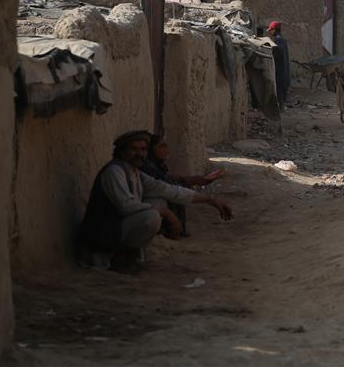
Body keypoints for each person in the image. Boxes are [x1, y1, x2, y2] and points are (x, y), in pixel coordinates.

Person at [77, 130, 233, 271]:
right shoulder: (114, 171)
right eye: (134, 149)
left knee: (159, 200)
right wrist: (166, 213)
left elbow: (169, 190)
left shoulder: (135, 172)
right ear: (122, 151)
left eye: (143, 150)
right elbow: (126, 206)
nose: (139, 154)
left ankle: (130, 255)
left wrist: (209, 200)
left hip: (116, 229)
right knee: (151, 216)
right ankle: (119, 256)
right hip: (101, 236)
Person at [140, 134, 224, 237]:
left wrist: (198, 180)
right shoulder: (147, 169)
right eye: (161, 146)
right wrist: (209, 199)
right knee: (171, 195)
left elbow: (170, 179)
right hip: (145, 210)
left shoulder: (157, 165)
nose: (166, 149)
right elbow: (169, 188)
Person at [267, 21, 291, 109]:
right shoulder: (282, 40)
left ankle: (280, 107)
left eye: (271, 30)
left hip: (280, 68)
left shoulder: (278, 40)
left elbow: (278, 55)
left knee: (279, 87)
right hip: (283, 68)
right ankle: (281, 105)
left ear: (275, 30)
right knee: (282, 87)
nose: (270, 32)